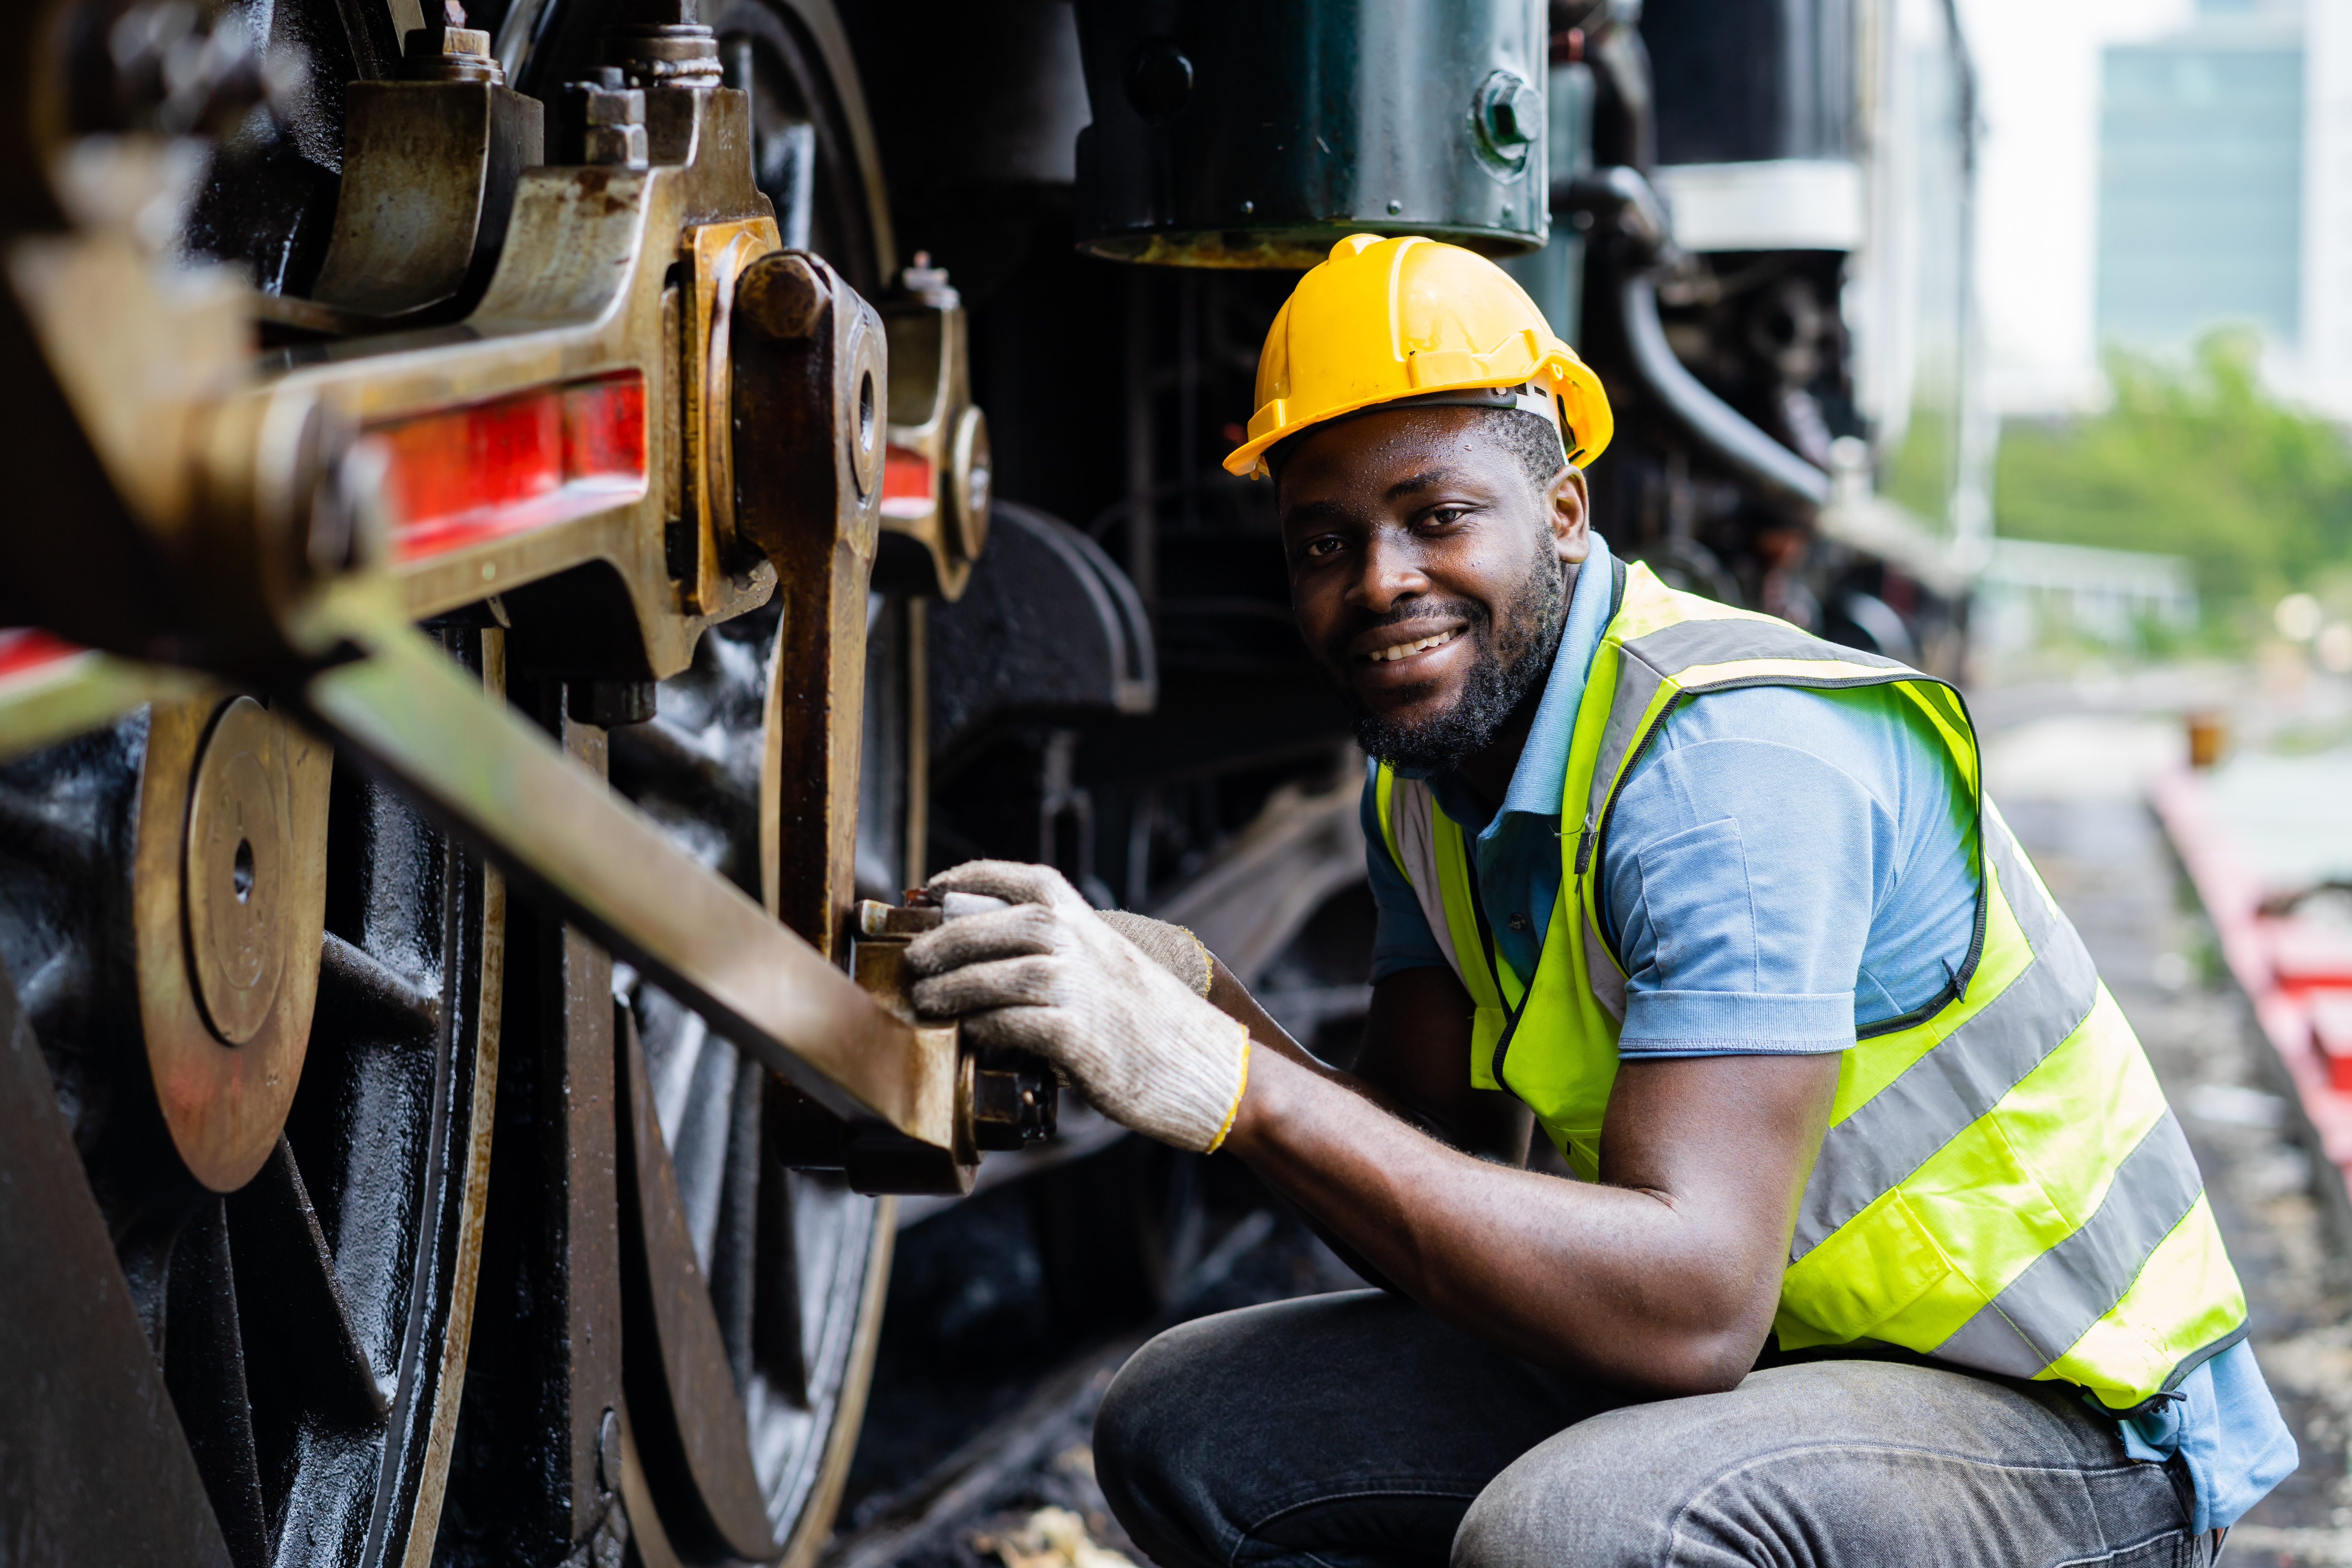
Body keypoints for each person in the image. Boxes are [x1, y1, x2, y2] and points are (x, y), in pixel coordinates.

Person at [902, 234, 2296, 1567]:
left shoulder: (1725, 763)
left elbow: (1686, 1313)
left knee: (1585, 1532)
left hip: (2063, 1431)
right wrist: (1198, 1005)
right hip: (1782, 1383)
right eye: (1322, 543)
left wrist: (1235, 1087)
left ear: (1563, 512)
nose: (1381, 581)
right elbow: (1418, 1174)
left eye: (1436, 517)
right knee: (1194, 1427)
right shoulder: (1435, 783)